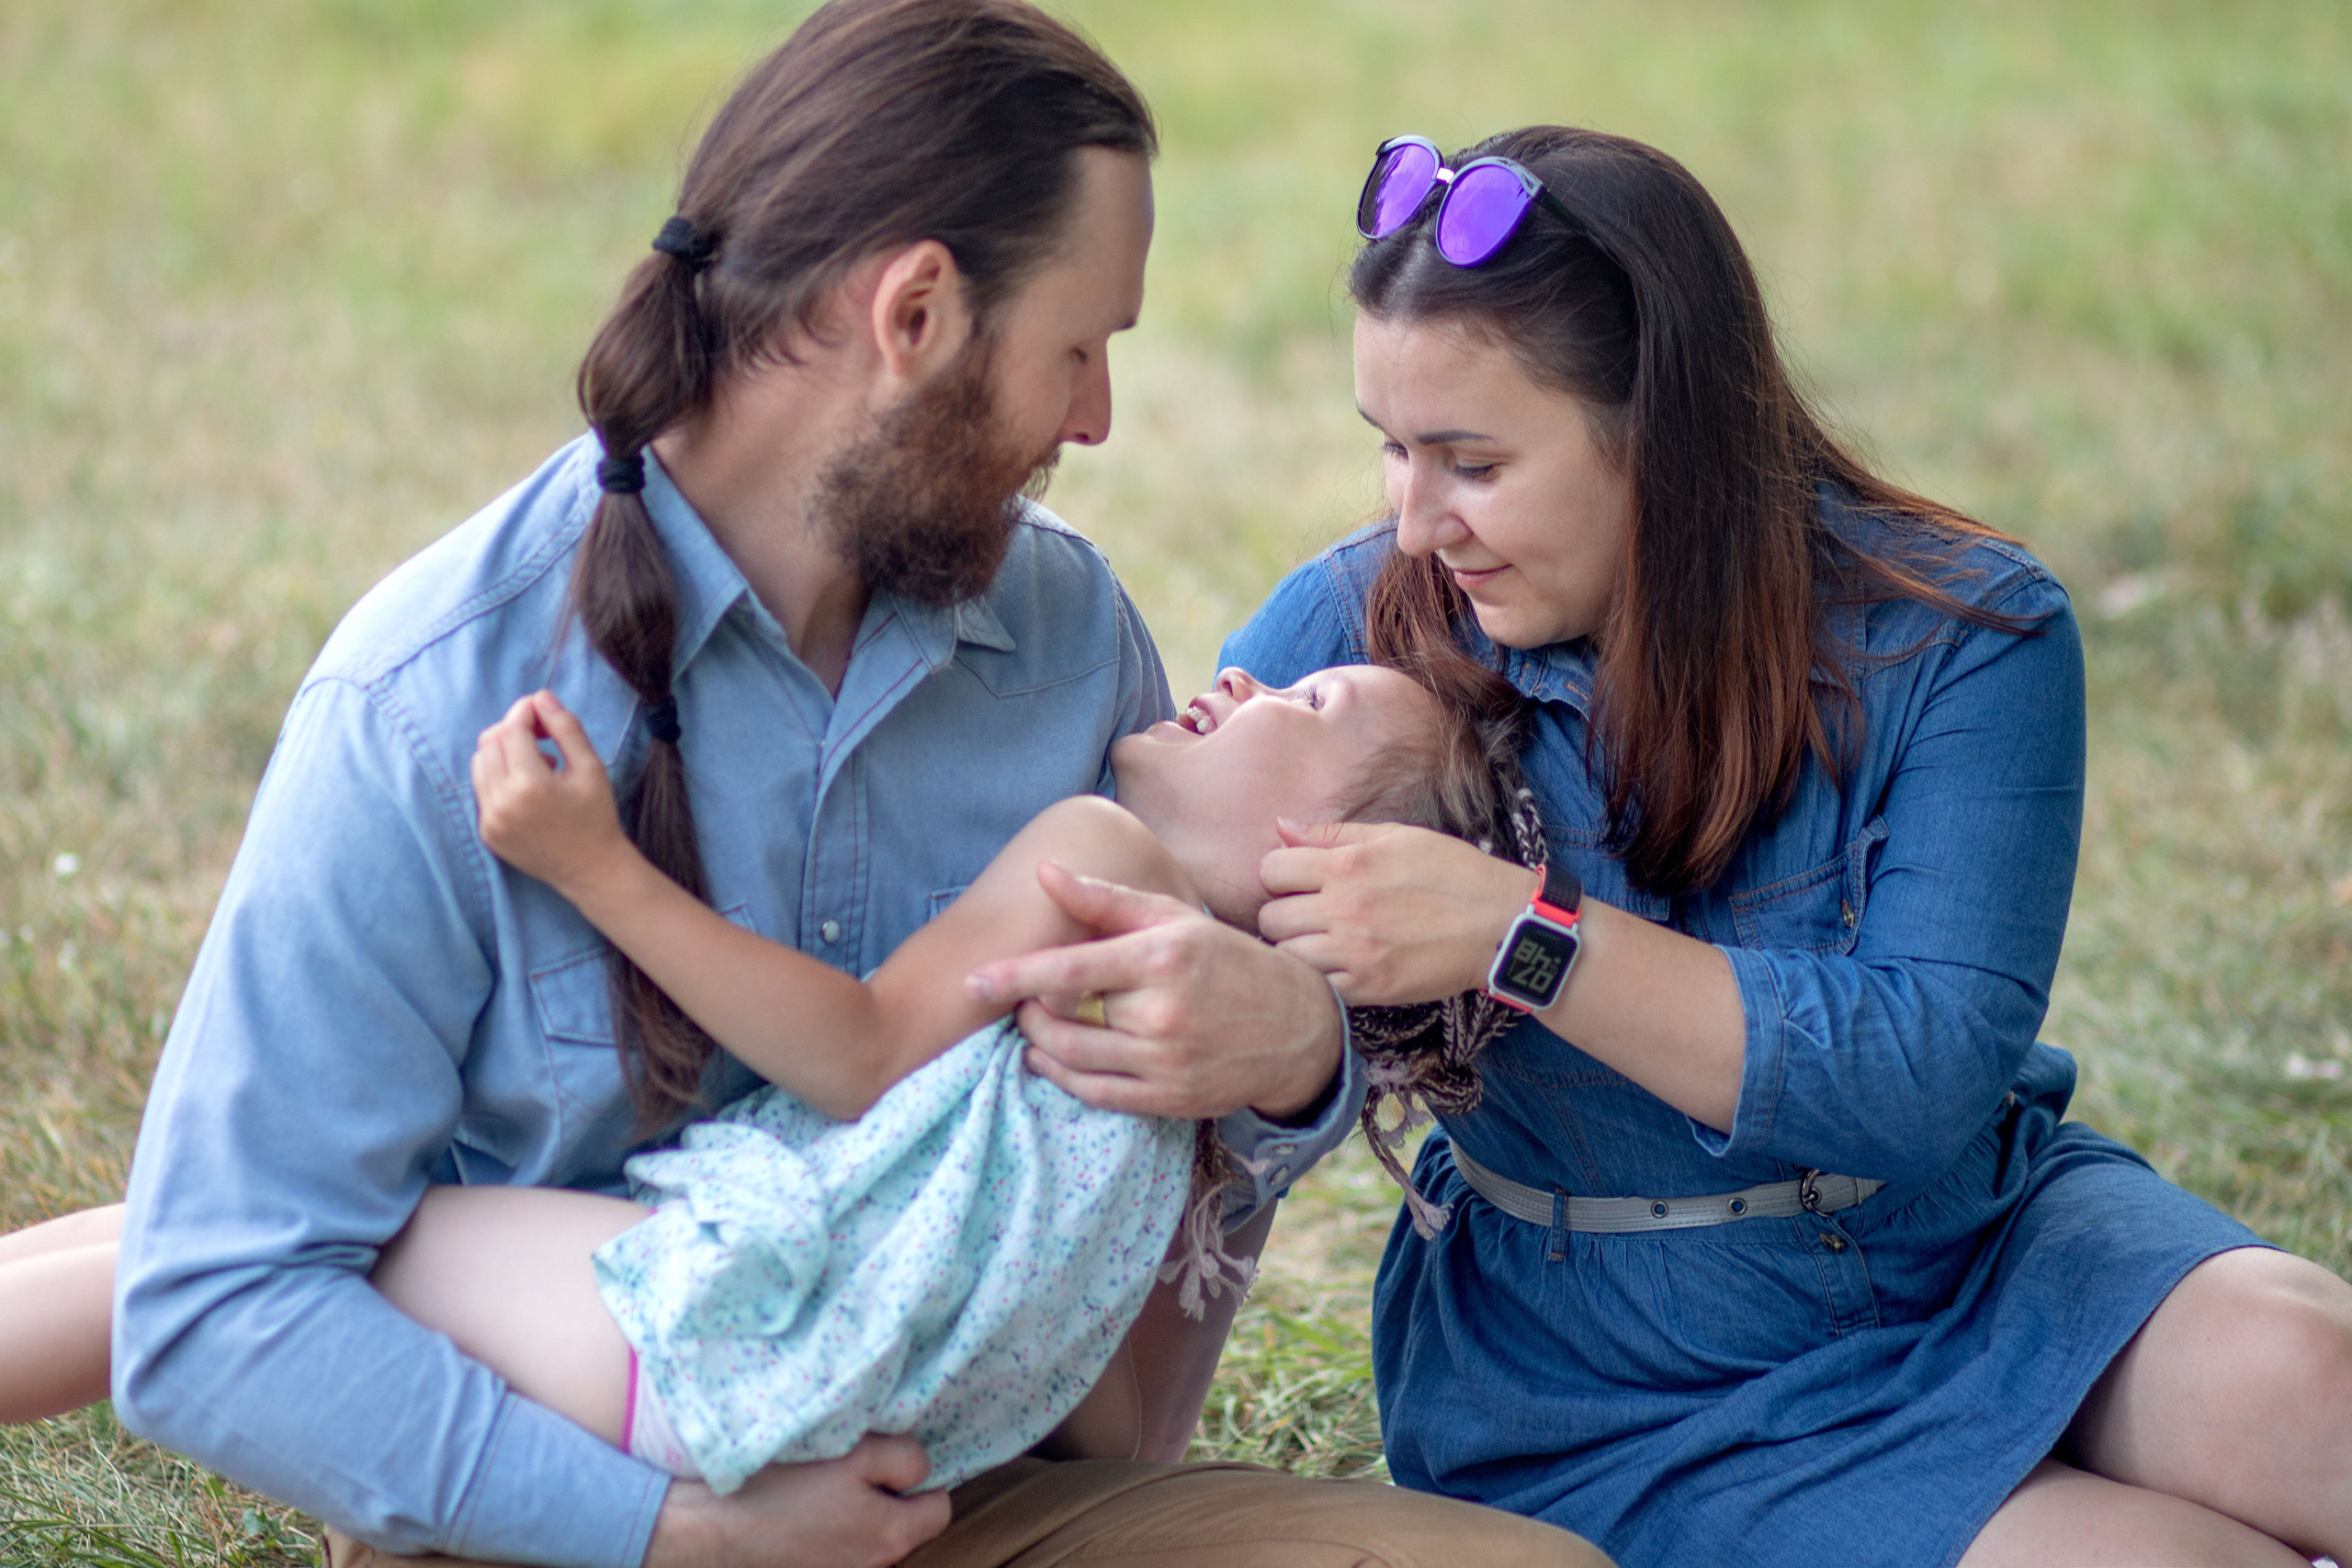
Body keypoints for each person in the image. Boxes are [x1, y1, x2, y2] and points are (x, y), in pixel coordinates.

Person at [96, 6, 1385, 1564]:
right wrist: (674, 1534)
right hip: (573, 1509)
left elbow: (1119, 1261)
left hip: (960, 1492)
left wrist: (1294, 1059)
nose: (1096, 419)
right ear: (916, 312)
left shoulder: (1066, 643)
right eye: (1078, 348)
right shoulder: (429, 706)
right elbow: (210, 1312)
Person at [1216, 125, 2352, 1568]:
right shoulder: (1353, 631)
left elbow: (1922, 1077)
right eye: (1390, 448)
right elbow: (1148, 887)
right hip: (1623, 1371)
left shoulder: (1964, 635)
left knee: (2320, 1379)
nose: (1415, 521)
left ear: (1666, 433)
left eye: (1473, 462)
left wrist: (1523, 935)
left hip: (1976, 1243)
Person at [5, 662, 1604, 1568]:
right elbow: (1098, 1412)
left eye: (1306, 703)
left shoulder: (1106, 856)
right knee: (202, 1247)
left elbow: (858, 1050)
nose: (1244, 673)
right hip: (820, 1427)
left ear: (1331, 870)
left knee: (229, 1250)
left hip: (718, 1328)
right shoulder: (1168, 1109)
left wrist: (597, 870)